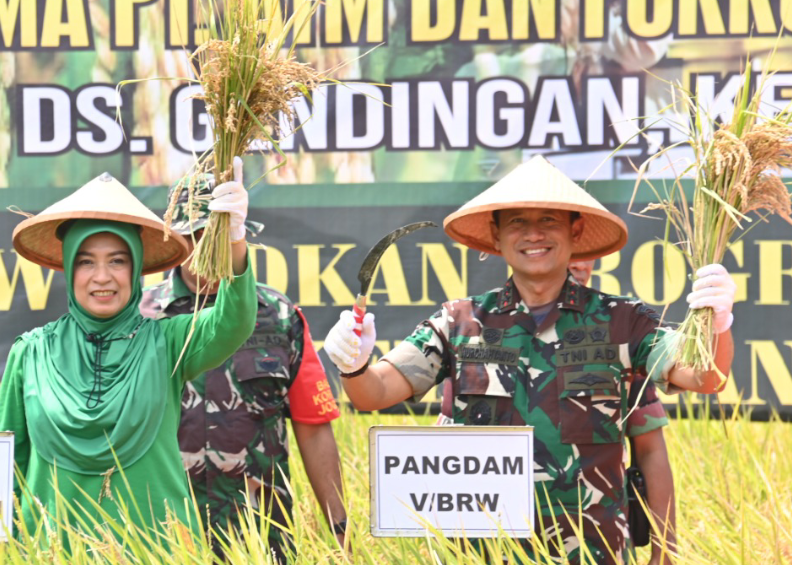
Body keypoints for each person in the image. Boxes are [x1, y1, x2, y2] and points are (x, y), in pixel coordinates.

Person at [324, 155, 737, 565]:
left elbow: (705, 377)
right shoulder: (459, 322)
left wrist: (718, 324)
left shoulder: (621, 322)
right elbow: (373, 394)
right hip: (482, 552)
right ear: (497, 234)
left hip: (594, 553)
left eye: (549, 221)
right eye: (517, 221)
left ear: (575, 231)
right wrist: (354, 363)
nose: (533, 234)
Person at [0, 163, 257, 548]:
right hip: (51, 550)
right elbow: (4, 467)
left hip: (156, 550)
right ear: (69, 268)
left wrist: (234, 239)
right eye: (86, 262)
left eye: (117, 260)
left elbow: (233, 322)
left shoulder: (168, 343)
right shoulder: (31, 351)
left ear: (134, 270)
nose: (102, 276)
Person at [139, 174, 346, 562]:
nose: (206, 250)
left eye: (218, 236)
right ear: (175, 240)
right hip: (162, 536)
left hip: (260, 538)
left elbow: (314, 428)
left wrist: (339, 531)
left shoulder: (277, 316)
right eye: (195, 236)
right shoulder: (140, 319)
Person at [570, 259, 676, 564]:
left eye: (587, 251)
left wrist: (664, 553)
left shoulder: (620, 330)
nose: (578, 261)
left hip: (600, 548)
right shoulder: (479, 328)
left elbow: (650, 450)